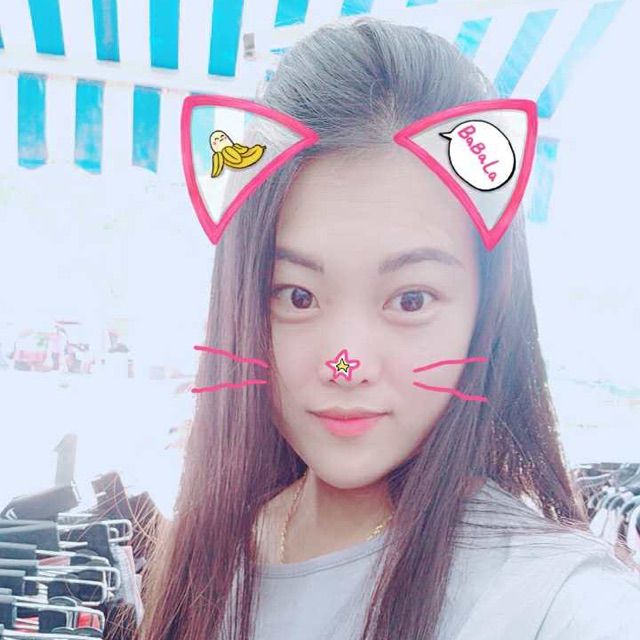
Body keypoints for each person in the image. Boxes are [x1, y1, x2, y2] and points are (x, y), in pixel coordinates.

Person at [139, 17, 640, 640]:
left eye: (410, 300)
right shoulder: (213, 547)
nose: (346, 364)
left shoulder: (558, 601)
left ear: (487, 313)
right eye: (297, 296)